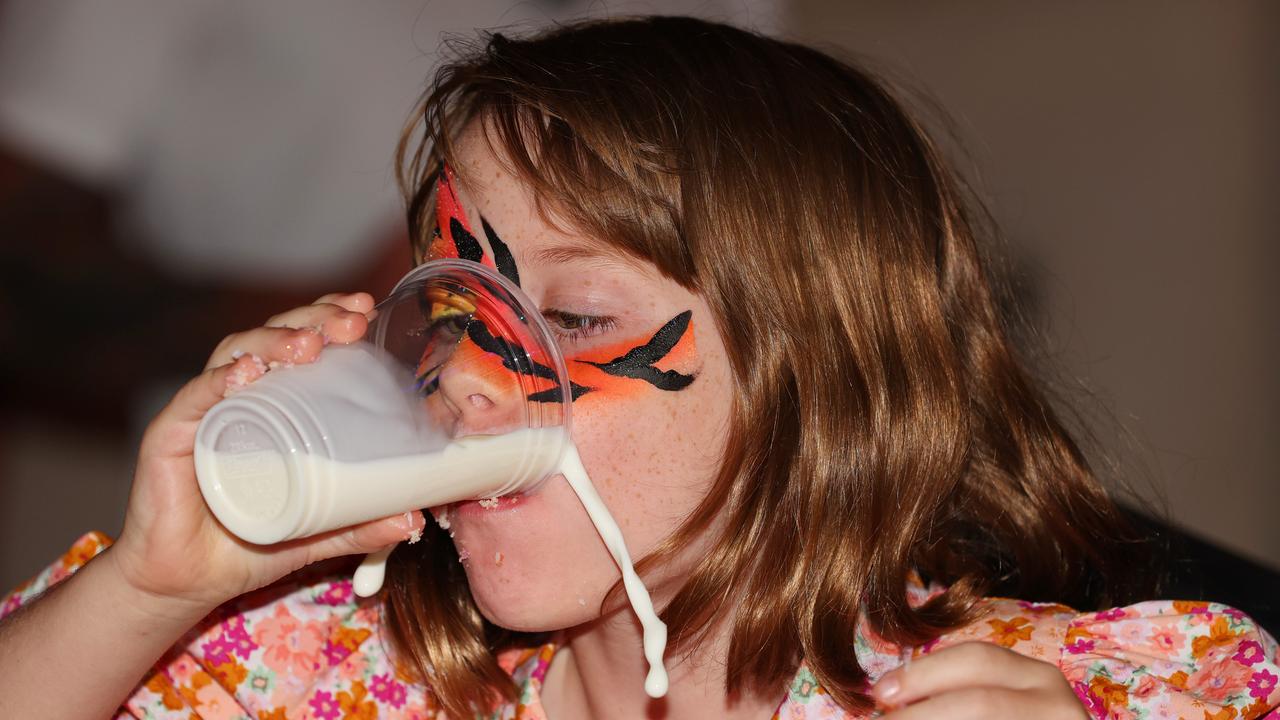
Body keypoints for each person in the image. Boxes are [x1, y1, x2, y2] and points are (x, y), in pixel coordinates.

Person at [1, 15, 1277, 720]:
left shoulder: (1061, 701)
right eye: (457, 305)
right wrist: (151, 591)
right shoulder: (326, 672)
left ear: (817, 372)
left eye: (576, 317)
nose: (473, 377)